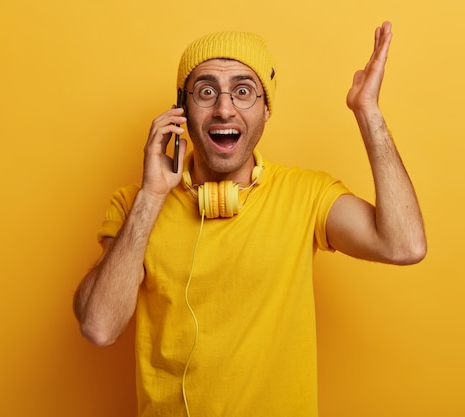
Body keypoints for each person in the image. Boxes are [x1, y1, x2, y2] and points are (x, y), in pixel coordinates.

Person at [73, 21, 426, 417]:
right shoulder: (135, 204)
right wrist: (152, 196)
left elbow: (405, 245)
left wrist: (368, 111)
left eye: (243, 92)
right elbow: (99, 326)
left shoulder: (307, 196)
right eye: (206, 92)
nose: (225, 108)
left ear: (266, 109)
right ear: (181, 110)